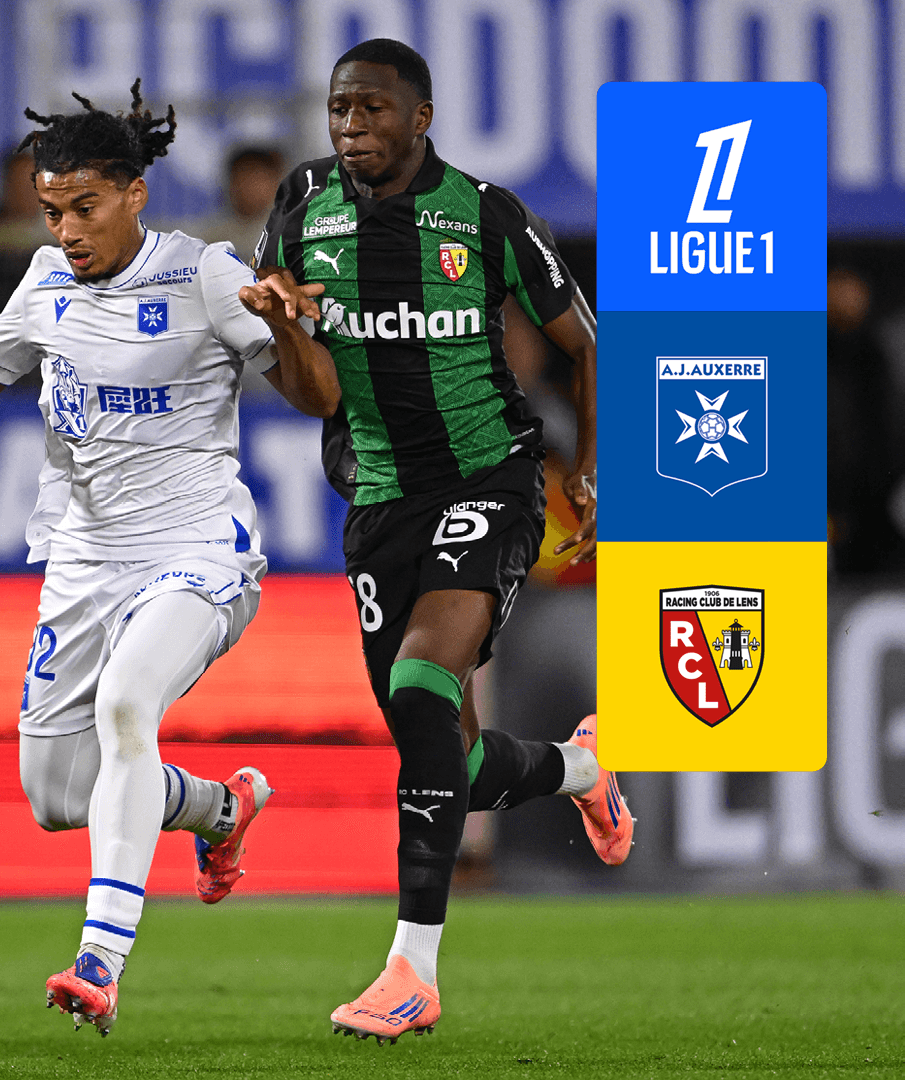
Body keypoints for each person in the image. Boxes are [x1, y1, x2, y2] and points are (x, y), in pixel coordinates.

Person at [0, 82, 338, 1036]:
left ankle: (99, 961)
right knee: (56, 793)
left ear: (134, 194)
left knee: (127, 706)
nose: (68, 230)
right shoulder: (45, 281)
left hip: (197, 548)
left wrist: (285, 321)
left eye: (85, 207)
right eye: (52, 211)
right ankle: (218, 807)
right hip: (84, 559)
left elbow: (319, 395)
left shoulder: (204, 275)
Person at [252, 38, 629, 1042]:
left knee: (422, 686)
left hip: (489, 479)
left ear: (421, 118)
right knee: (443, 753)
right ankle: (581, 772)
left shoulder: (486, 214)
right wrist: (284, 326)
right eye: (340, 109)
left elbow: (586, 344)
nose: (351, 126)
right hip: (377, 501)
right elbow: (308, 393)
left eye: (372, 109)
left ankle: (411, 971)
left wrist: (588, 470)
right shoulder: (301, 206)